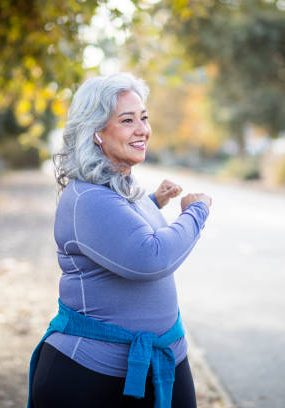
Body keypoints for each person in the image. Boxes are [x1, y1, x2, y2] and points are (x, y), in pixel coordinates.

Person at [27, 72, 212, 408]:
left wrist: (154, 202)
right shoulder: (88, 196)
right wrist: (195, 213)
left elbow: (121, 229)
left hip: (160, 358)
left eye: (143, 117)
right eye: (127, 120)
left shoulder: (121, 183)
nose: (142, 129)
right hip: (91, 374)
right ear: (96, 131)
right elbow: (150, 257)